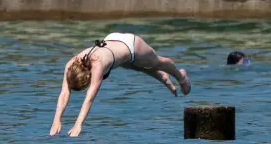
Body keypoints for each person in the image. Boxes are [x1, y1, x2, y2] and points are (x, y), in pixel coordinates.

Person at [50, 31, 191, 137]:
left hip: (132, 46)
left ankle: (180, 76)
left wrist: (78, 125)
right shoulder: (71, 64)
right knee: (132, 65)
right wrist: (56, 120)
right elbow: (64, 93)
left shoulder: (97, 66)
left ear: (88, 76)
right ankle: (163, 77)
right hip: (112, 40)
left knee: (157, 62)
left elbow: (89, 98)